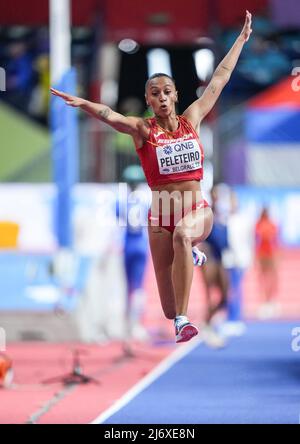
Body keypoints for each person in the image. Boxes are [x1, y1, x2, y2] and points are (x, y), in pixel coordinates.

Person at [50, 11, 252, 343]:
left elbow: (220, 77)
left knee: (184, 238)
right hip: (160, 217)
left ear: (176, 96)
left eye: (166, 91)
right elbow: (109, 114)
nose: (161, 97)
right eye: (154, 93)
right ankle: (181, 301)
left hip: (195, 210)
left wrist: (241, 40)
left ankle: (185, 318)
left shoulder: (193, 119)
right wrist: (82, 102)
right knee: (168, 307)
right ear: (148, 100)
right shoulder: (143, 130)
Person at [116, 165, 149, 346]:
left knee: (128, 287)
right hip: (141, 245)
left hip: (128, 245)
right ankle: (136, 324)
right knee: (138, 287)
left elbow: (116, 225)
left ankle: (128, 324)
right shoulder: (146, 200)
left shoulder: (121, 200)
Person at [255, 207, 279, 319]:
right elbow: (256, 240)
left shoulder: (272, 224)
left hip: (270, 254)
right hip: (262, 254)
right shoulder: (258, 224)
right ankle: (264, 301)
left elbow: (276, 241)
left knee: (272, 279)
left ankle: (270, 300)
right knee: (263, 278)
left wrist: (277, 255)